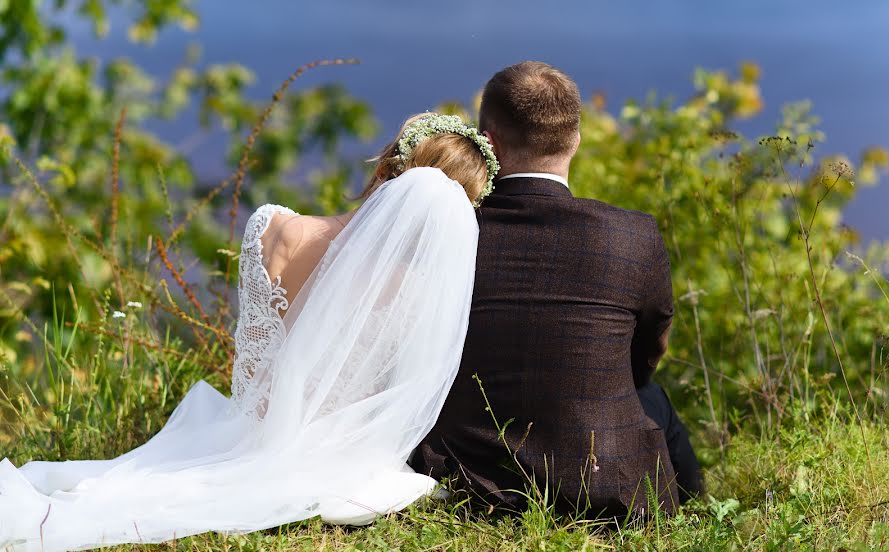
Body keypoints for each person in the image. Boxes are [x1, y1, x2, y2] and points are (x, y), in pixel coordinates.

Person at [0, 114, 499, 551]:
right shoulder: (432, 291)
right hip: (351, 463)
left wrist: (257, 440)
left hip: (257, 436)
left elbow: (252, 380)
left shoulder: (276, 230)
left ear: (384, 167)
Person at [411, 61, 702, 518]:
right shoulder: (633, 235)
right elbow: (646, 355)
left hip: (466, 475)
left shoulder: (454, 230)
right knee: (652, 397)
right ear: (576, 141)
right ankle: (699, 508)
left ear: (489, 143)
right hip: (604, 486)